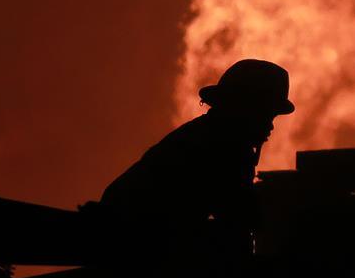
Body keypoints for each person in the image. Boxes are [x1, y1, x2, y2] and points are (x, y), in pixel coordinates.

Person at [98, 59, 295, 261]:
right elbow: (237, 217)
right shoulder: (221, 146)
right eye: (265, 114)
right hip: (133, 241)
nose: (270, 126)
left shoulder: (210, 136)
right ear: (244, 108)